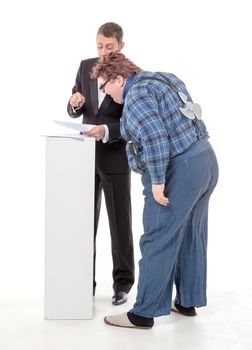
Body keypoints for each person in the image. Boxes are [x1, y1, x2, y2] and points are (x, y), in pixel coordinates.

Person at [91, 52, 219, 329]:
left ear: (119, 78)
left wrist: (159, 181)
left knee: (157, 239)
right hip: (205, 160)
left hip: (179, 170)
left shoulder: (135, 96)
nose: (105, 92)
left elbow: (155, 138)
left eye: (105, 86)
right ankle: (187, 302)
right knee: (191, 236)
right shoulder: (163, 78)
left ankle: (144, 313)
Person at [67, 23, 134, 305]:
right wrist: (75, 102)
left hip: (115, 154)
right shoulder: (85, 66)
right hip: (84, 155)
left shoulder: (131, 73)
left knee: (120, 222)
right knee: (84, 223)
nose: (103, 52)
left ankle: (122, 284)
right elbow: (73, 108)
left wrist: (106, 131)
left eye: (109, 46)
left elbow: (132, 121)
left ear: (120, 45)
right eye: (99, 46)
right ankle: (85, 283)